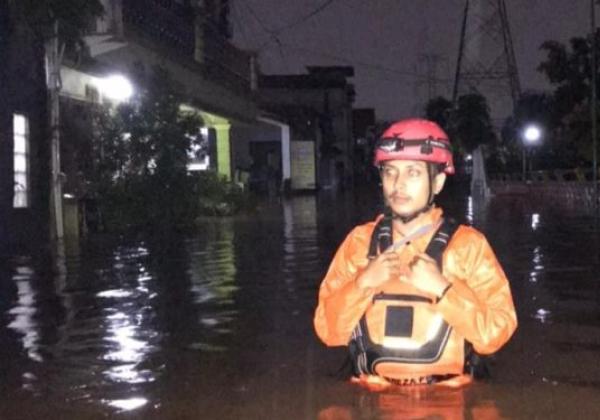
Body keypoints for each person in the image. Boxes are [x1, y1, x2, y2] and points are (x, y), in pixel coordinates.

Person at [313, 118, 517, 388]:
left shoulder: (468, 247)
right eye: (390, 172)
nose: (398, 184)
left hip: (446, 401)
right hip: (374, 399)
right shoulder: (359, 243)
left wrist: (444, 289)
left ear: (439, 182)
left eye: (413, 173)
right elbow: (328, 331)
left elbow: (495, 334)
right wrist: (363, 283)